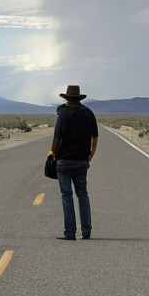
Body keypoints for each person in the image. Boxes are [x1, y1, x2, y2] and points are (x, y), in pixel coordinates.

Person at [49, 84, 98, 240]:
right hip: (81, 162)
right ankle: (86, 231)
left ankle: (70, 232)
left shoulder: (62, 115)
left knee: (67, 196)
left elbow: (57, 138)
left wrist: (52, 154)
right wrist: (91, 155)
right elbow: (95, 137)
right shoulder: (88, 113)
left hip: (64, 162)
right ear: (78, 98)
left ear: (67, 99)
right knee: (83, 195)